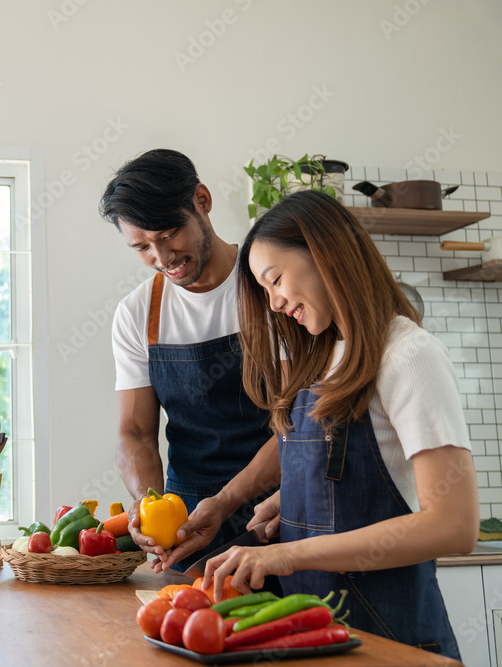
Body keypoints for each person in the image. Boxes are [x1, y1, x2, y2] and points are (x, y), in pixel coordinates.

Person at [203, 189, 477, 659]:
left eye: (276, 280)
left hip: (388, 638)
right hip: (314, 633)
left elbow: (454, 524)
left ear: (324, 253)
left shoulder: (409, 355)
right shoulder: (327, 358)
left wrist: (288, 553)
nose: (272, 304)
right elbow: (353, 475)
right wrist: (291, 503)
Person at [100, 149, 281, 573]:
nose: (162, 259)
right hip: (187, 526)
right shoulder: (138, 314)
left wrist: (228, 500)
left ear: (202, 200)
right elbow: (136, 432)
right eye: (142, 247)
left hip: (280, 507)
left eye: (167, 235)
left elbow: (300, 422)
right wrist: (147, 503)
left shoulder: (270, 286)